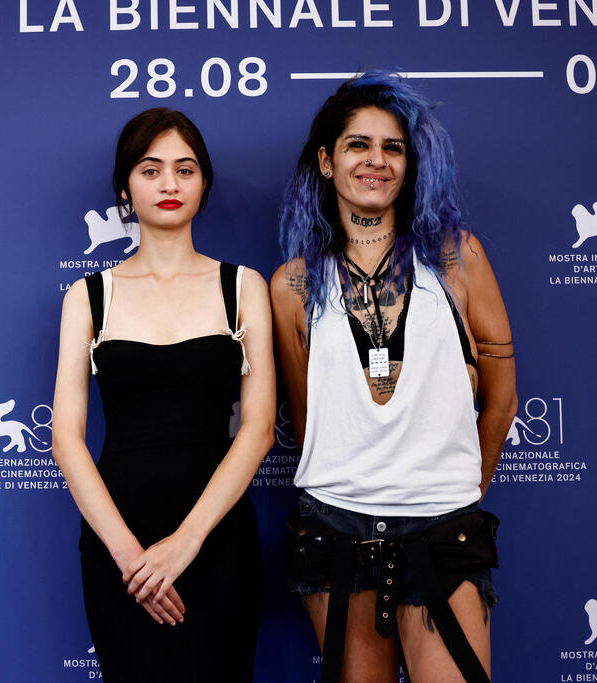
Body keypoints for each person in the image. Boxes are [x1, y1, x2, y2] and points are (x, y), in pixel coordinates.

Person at [271, 71, 517, 682]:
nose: (376, 161)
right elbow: (308, 422)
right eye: (358, 145)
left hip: (445, 530)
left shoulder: (458, 257)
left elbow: (503, 399)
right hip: (333, 528)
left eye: (393, 147)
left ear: (409, 165)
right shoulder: (292, 285)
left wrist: (458, 491)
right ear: (327, 162)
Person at [52, 108, 276, 681]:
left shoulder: (243, 286)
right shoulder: (88, 295)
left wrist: (186, 542)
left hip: (218, 536)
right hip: (118, 541)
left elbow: (257, 428)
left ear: (204, 183)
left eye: (185, 169)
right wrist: (132, 559)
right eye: (151, 170)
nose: (170, 184)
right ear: (125, 186)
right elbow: (66, 440)